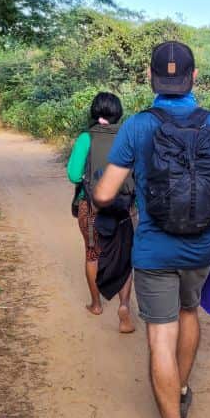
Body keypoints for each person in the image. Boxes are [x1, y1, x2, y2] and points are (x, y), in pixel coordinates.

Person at [94, 41, 210, 418]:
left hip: (154, 250)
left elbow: (105, 192)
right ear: (194, 77)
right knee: (188, 314)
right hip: (200, 247)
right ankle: (179, 392)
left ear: (151, 77)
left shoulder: (138, 127)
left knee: (159, 336)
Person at [66, 92, 136, 333]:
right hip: (125, 207)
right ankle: (124, 306)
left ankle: (96, 304)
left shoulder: (87, 137)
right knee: (124, 258)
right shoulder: (128, 136)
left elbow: (74, 175)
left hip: (92, 206)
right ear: (118, 112)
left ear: (95, 112)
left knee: (92, 254)